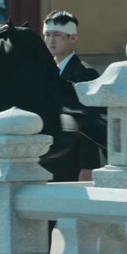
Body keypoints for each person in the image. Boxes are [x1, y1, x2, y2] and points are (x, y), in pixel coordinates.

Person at [43, 10, 103, 182]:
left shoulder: (85, 73)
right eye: (47, 35)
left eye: (57, 35)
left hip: (72, 159)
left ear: (73, 38)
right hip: (48, 155)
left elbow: (91, 121)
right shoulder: (44, 71)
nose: (51, 40)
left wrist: (88, 166)